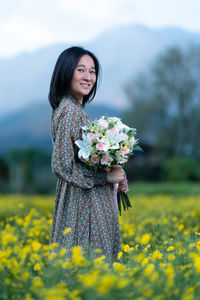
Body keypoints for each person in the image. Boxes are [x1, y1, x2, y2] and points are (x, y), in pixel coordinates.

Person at [48, 46, 127, 264]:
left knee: (82, 267)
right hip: (84, 206)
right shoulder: (71, 112)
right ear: (66, 72)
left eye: (92, 72)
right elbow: (61, 166)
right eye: (81, 70)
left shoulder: (69, 109)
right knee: (88, 266)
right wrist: (104, 177)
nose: (88, 77)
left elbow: (82, 160)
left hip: (83, 200)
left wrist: (114, 168)